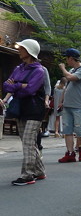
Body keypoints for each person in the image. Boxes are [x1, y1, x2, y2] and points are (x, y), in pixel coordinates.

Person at [0, 39, 47, 185]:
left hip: (34, 109)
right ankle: (39, 171)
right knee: (28, 142)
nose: (19, 49)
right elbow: (6, 85)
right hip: (20, 108)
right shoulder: (18, 68)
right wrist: (21, 85)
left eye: (22, 47)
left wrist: (16, 85)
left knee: (27, 141)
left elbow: (30, 90)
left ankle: (28, 175)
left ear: (30, 51)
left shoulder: (39, 70)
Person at [58, 48, 81, 163]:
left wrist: (62, 68)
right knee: (67, 130)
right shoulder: (72, 70)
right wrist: (61, 101)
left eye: (66, 58)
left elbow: (71, 78)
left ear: (71, 58)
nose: (66, 61)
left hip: (79, 105)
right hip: (68, 105)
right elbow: (67, 87)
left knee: (79, 130)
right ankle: (70, 153)